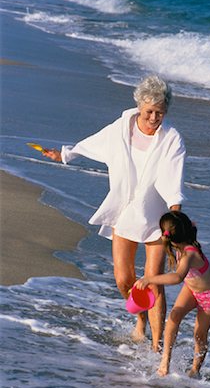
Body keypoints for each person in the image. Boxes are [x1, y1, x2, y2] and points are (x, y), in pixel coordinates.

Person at [43, 75, 186, 352]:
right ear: (139, 106)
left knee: (154, 281)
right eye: (149, 112)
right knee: (123, 278)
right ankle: (140, 321)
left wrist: (175, 220)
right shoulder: (123, 127)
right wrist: (65, 155)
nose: (154, 118)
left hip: (157, 219)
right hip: (124, 211)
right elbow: (95, 143)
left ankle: (157, 348)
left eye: (160, 112)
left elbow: (174, 180)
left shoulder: (172, 139)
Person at [134, 211, 210, 377]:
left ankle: (195, 370)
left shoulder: (190, 253)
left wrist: (149, 279)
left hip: (209, 296)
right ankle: (164, 363)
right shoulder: (184, 239)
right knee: (174, 316)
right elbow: (192, 224)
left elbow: (177, 277)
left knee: (199, 334)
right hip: (191, 289)